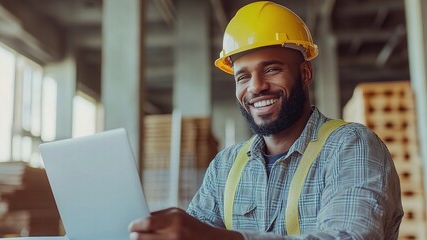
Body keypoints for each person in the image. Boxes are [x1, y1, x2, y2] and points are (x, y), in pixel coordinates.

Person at [128, 1, 403, 239]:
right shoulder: (225, 168)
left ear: (305, 73)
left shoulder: (351, 147)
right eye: (243, 77)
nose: (256, 87)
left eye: (271, 69)